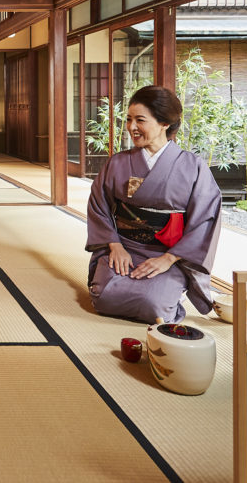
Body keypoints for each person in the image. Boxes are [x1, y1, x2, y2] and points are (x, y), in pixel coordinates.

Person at [86, 85, 221, 324]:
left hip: (167, 254)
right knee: (103, 296)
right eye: (128, 120)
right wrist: (115, 245)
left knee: (155, 306)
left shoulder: (193, 167)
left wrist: (168, 259)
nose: (131, 127)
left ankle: (170, 286)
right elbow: (99, 206)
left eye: (140, 120)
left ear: (164, 123)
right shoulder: (117, 163)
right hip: (124, 248)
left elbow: (205, 219)